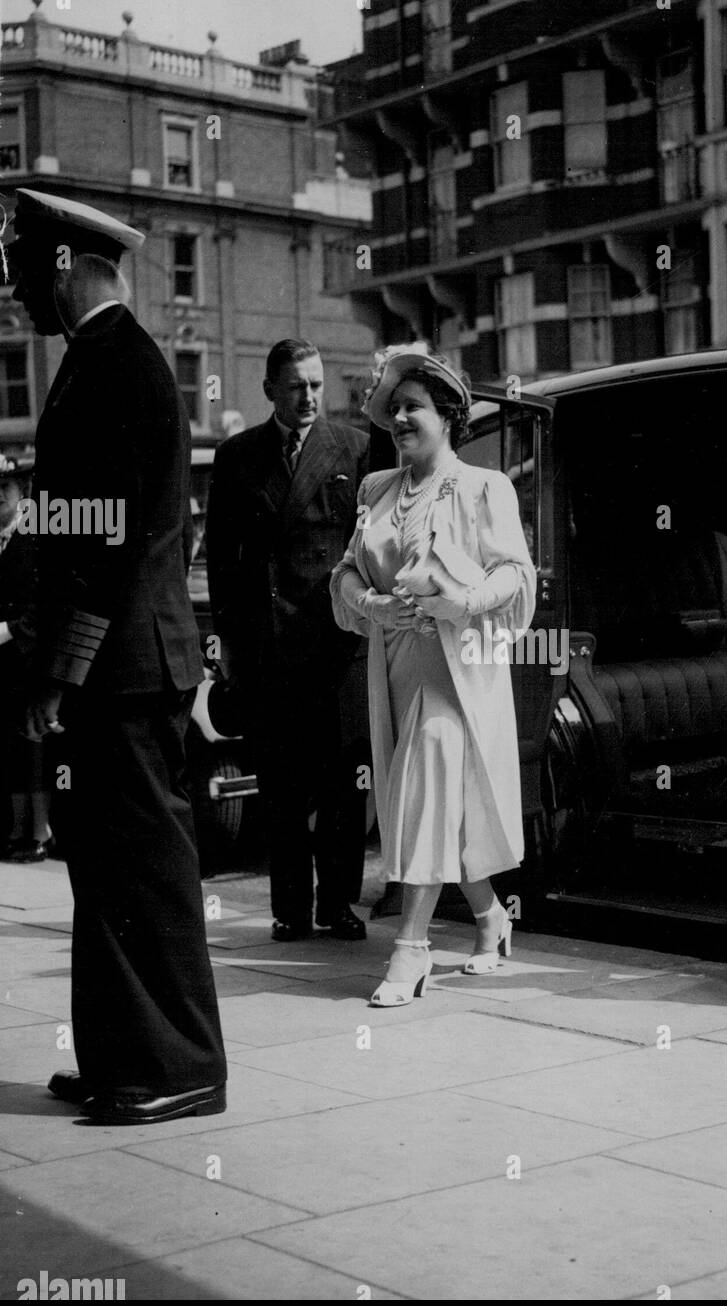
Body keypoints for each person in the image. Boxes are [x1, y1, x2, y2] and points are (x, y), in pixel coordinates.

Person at [6, 187, 226, 1121]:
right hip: (122, 665)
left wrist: (58, 671)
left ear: (61, 262)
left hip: (126, 669)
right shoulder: (98, 361)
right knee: (104, 870)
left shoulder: (115, 366)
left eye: (20, 264)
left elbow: (106, 547)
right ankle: (119, 1058)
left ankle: (178, 1070)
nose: (12, 284)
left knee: (144, 872)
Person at [330, 345, 535, 1005]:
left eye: (413, 408)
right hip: (396, 666)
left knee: (431, 771)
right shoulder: (374, 490)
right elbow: (347, 572)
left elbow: (516, 575)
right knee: (436, 801)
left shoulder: (485, 488)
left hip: (461, 667)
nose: (400, 420)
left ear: (449, 414)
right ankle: (491, 917)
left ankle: (411, 946)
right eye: (395, 410)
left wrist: (463, 601)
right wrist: (373, 603)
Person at [206, 340, 370, 943]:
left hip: (335, 645)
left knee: (343, 786)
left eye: (316, 385)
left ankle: (339, 905)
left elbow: (367, 549)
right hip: (268, 649)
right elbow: (223, 562)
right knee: (280, 788)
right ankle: (292, 910)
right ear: (270, 390)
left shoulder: (354, 447)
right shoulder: (238, 456)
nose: (308, 397)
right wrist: (225, 644)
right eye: (296, 386)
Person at [0, 453, 53, 861]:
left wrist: (9, 629)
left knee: (34, 750)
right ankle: (17, 829)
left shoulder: (34, 541)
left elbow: (45, 606)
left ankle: (39, 832)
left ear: (23, 496)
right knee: (9, 751)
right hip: (3, 667)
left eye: (5, 490)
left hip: (29, 661)